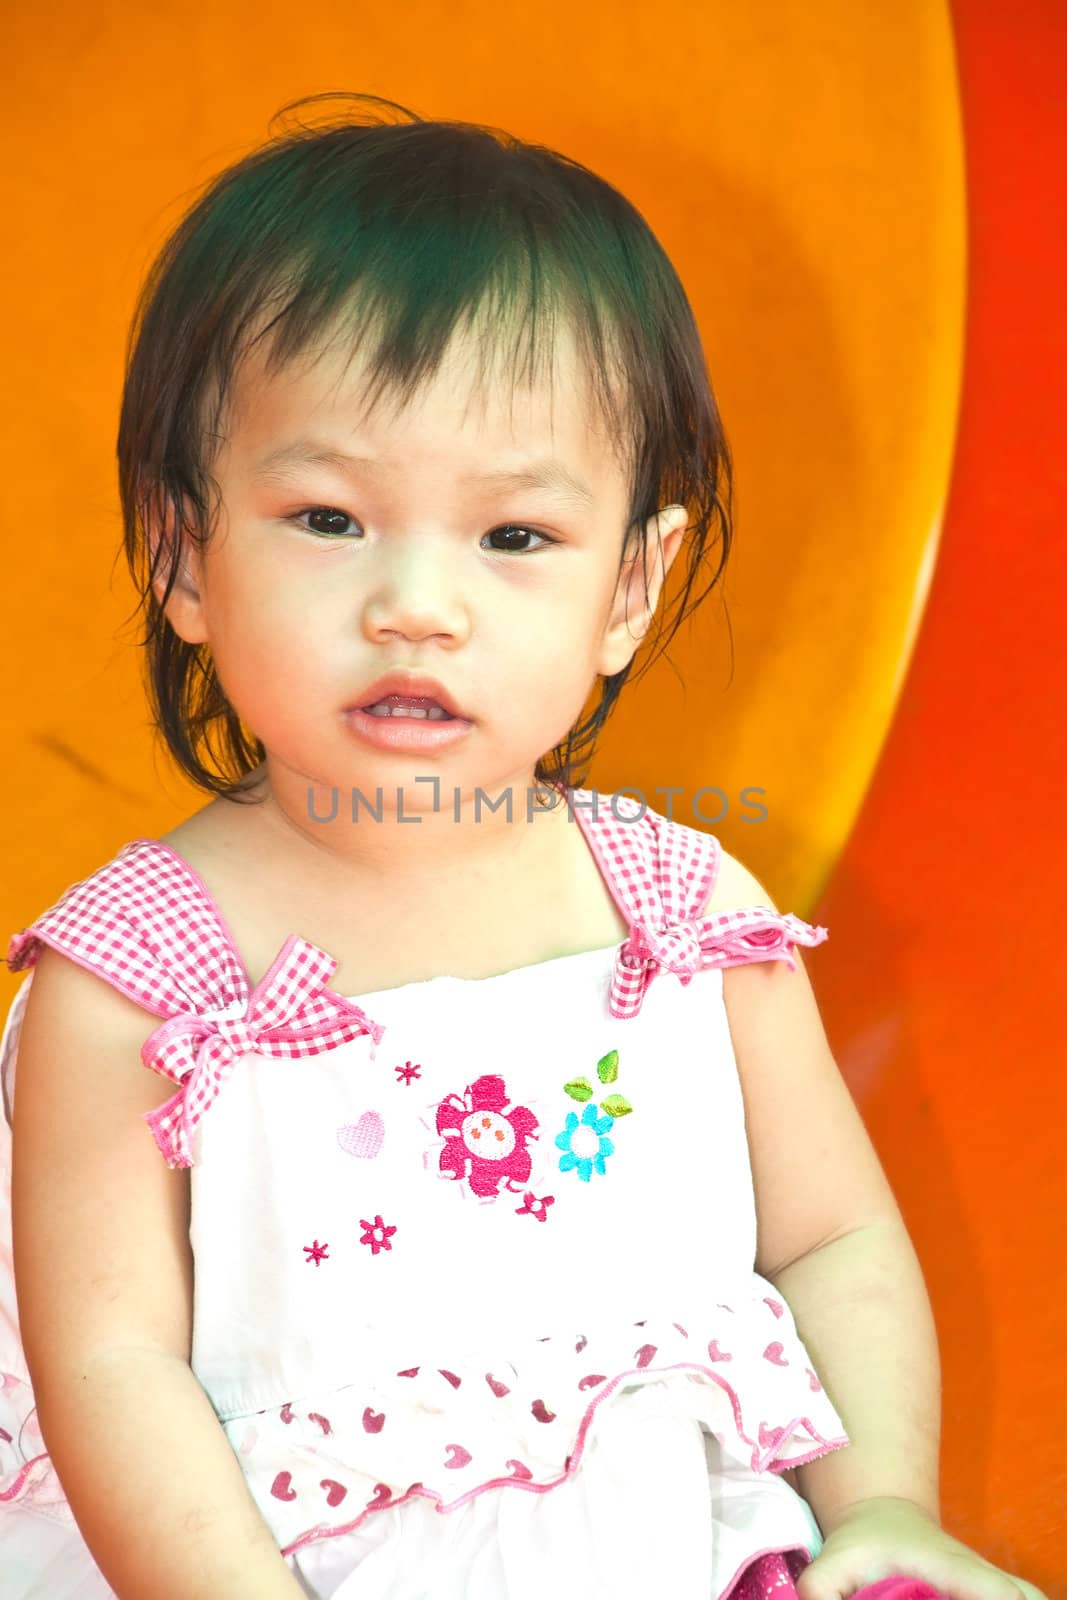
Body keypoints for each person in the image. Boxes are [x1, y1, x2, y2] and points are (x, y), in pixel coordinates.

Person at [0, 93, 1046, 1600]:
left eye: (514, 539)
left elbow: (829, 1243)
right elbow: (110, 1367)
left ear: (630, 585)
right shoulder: (138, 983)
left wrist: (885, 1505)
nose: (419, 604)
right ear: (182, 554)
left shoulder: (681, 916)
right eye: (328, 516)